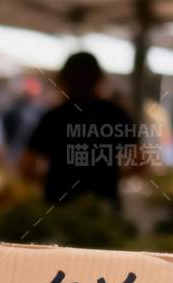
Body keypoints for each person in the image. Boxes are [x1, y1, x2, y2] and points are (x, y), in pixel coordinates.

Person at [21, 52, 141, 206]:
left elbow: (26, 167)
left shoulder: (54, 118)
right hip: (104, 207)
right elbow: (141, 162)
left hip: (59, 206)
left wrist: (51, 179)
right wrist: (113, 176)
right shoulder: (115, 114)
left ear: (64, 80)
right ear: (99, 79)